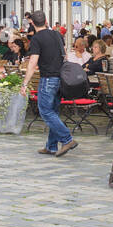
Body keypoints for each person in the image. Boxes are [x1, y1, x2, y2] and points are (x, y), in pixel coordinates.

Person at [23, 10, 77, 157]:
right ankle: (51, 146)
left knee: (45, 111)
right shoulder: (57, 34)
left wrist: (25, 83)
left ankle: (67, 139)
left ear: (32, 23)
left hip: (48, 78)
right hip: (60, 78)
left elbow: (33, 62)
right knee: (53, 112)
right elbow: (64, 54)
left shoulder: (36, 39)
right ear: (46, 20)